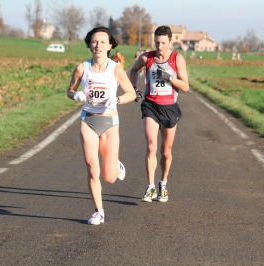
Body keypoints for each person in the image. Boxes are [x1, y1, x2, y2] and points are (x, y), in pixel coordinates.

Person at [67, 27, 136, 225]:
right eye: (94, 42)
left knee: (110, 177)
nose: (98, 45)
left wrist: (118, 100)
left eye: (102, 42)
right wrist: (76, 95)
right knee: (92, 168)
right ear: (90, 44)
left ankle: (115, 164)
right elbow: (70, 90)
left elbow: (131, 93)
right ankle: (98, 211)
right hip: (88, 120)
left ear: (110, 45)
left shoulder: (115, 69)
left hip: (109, 122)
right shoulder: (82, 68)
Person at [129, 25, 189, 203]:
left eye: (163, 43)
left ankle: (163, 183)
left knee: (166, 152)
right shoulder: (147, 57)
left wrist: (169, 77)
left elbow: (185, 87)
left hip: (170, 108)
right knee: (151, 148)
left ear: (170, 41)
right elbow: (133, 70)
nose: (160, 46)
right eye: (157, 42)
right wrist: (133, 89)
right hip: (151, 106)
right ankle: (150, 187)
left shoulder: (177, 59)